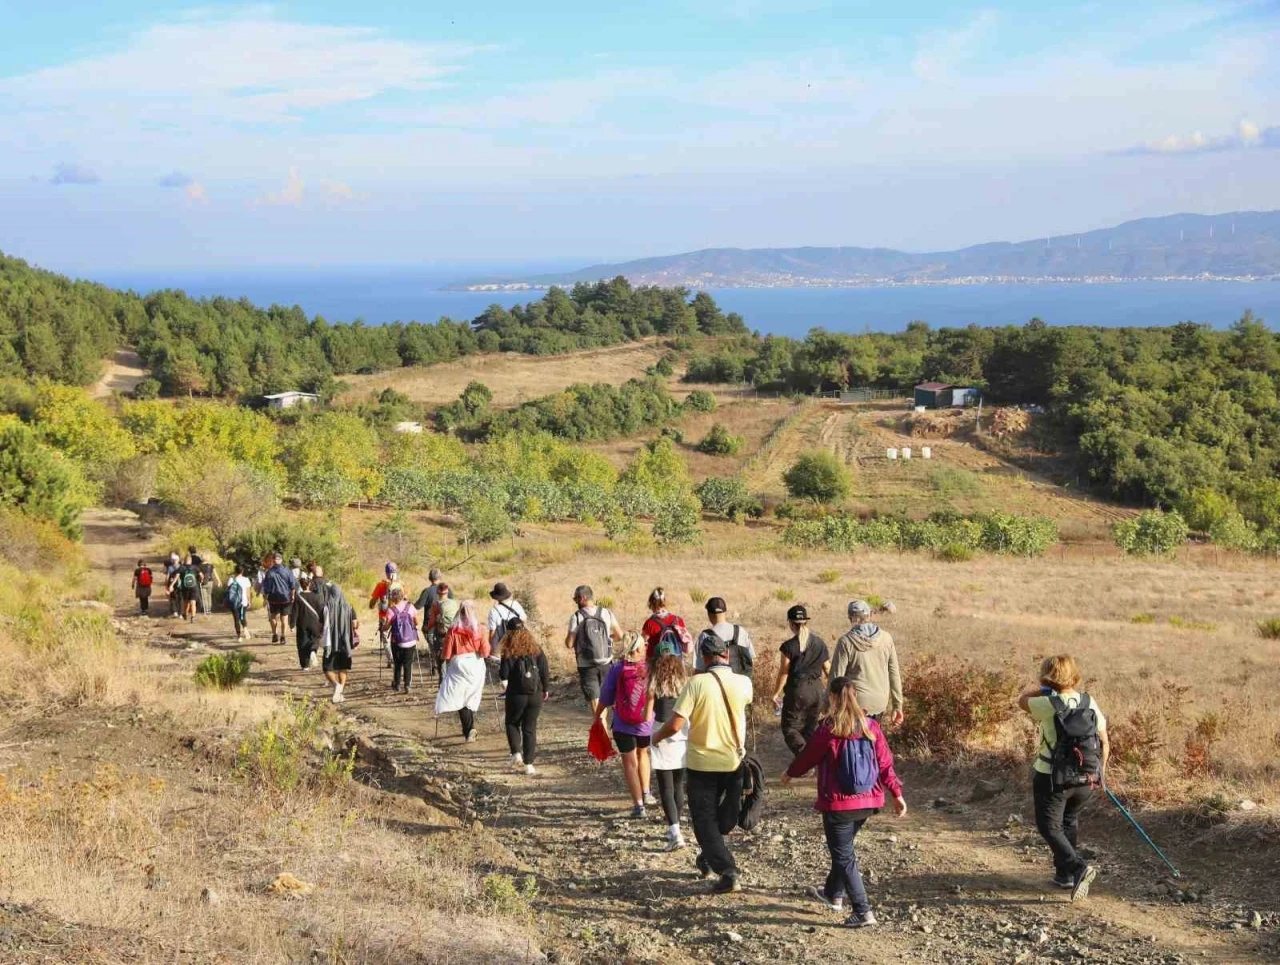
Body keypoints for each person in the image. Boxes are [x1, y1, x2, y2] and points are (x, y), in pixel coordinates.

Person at [782, 676, 907, 929]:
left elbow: (809, 757)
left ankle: (863, 911)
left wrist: (790, 773)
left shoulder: (829, 728)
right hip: (868, 802)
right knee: (844, 850)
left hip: (838, 804)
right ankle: (833, 894)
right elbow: (885, 764)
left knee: (844, 856)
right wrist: (896, 794)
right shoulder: (871, 726)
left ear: (832, 698)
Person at [653, 633, 753, 895]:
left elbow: (675, 724)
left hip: (702, 764)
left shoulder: (696, 683)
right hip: (733, 760)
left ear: (704, 658)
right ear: (726, 655)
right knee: (723, 816)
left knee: (704, 818)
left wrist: (654, 738)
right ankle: (708, 856)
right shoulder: (744, 683)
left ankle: (728, 871)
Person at [1018, 655, 1109, 903]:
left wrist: (1042, 687)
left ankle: (1078, 868)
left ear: (1048, 677)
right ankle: (1064, 875)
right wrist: (1100, 773)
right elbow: (1104, 740)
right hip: (1087, 778)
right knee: (1069, 821)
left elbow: (1021, 700)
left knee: (1049, 826)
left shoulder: (1048, 703)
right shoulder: (1089, 702)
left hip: (1052, 777)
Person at [594, 635, 656, 818]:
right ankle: (646, 792)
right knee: (643, 753)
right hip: (645, 723)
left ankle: (638, 806)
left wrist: (597, 716)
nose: (646, 647)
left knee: (629, 762)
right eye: (643, 645)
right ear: (637, 649)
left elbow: (605, 696)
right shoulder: (649, 668)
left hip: (623, 724)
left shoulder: (617, 668)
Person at [830, 601, 904, 725]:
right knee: (872, 739)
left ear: (850, 618)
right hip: (880, 702)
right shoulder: (886, 638)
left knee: (853, 742)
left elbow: (836, 678)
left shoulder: (845, 642)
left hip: (854, 702)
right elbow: (894, 673)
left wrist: (829, 705)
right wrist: (898, 705)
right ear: (870, 615)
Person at [772, 604, 831, 757]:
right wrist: (831, 692)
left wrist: (776, 693)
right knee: (809, 729)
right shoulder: (819, 643)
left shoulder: (788, 646)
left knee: (790, 728)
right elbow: (828, 670)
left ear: (791, 624)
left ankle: (806, 760)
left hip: (798, 690)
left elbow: (784, 672)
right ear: (806, 622)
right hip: (818, 689)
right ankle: (812, 761)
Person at [648, 639, 691, 850]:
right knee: (678, 784)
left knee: (665, 785)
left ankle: (674, 830)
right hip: (683, 732)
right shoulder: (686, 682)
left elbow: (648, 713)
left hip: (660, 733)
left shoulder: (654, 681)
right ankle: (678, 825)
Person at [499, 618, 550, 776]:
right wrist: (545, 689)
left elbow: (503, 674)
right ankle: (529, 765)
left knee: (512, 723)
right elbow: (545, 670)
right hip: (535, 694)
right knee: (530, 728)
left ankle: (516, 754)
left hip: (516, 694)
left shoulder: (509, 651)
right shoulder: (536, 648)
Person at [435, 600, 491, 741]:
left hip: (458, 665)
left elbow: (446, 655)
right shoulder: (481, 629)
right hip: (476, 664)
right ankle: (469, 728)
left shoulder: (453, 630)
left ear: (459, 612)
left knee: (460, 697)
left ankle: (469, 729)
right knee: (471, 695)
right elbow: (485, 653)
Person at [565, 584, 624, 711]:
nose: (575, 602)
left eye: (576, 599)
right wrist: (608, 638)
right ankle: (614, 729)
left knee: (596, 705)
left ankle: (601, 728)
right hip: (606, 663)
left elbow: (569, 644)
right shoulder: (606, 612)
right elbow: (620, 635)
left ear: (582, 598)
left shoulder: (576, 617)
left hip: (587, 666)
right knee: (609, 700)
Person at [310, 566, 359, 703]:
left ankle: (336, 686)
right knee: (343, 668)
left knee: (327, 668)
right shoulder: (349, 608)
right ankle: (340, 691)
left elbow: (320, 625)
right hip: (345, 643)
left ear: (330, 593)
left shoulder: (325, 608)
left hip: (330, 642)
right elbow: (355, 624)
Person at [694, 597, 754, 675]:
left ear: (709, 614)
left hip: (716, 684)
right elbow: (751, 661)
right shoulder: (741, 631)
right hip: (741, 683)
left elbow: (699, 669)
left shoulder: (705, 636)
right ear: (725, 612)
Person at [641, 587, 692, 665]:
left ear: (651, 604)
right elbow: (687, 647)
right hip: (676, 665)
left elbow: (642, 646)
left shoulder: (649, 623)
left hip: (656, 666)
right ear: (665, 602)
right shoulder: (678, 620)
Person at [386, 586, 420, 694]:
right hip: (411, 640)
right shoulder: (410, 607)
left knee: (397, 663)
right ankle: (407, 685)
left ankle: (396, 684)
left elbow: (387, 627)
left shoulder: (391, 611)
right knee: (408, 663)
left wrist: (382, 626)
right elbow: (417, 622)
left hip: (397, 641)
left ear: (392, 598)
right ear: (402, 596)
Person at [368, 563, 402, 668]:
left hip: (385, 616)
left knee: (386, 640)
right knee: (399, 637)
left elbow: (372, 602)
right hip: (398, 616)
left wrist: (372, 605)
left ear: (386, 573)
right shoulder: (401, 585)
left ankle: (391, 659)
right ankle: (398, 658)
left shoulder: (380, 585)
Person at [262, 552, 298, 643]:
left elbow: (267, 588)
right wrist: (293, 595)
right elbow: (292, 585)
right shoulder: (288, 571)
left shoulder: (269, 572)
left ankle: (274, 634)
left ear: (273, 561)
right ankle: (283, 636)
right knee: (284, 619)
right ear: (281, 560)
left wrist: (265, 598)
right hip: (285, 598)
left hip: (273, 598)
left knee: (272, 617)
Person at [428, 585, 462, 677]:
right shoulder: (454, 603)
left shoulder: (436, 604)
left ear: (438, 593)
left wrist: (427, 629)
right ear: (447, 592)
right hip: (453, 633)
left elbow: (431, 621)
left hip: (441, 635)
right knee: (451, 657)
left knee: (441, 657)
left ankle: (442, 679)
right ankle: (451, 677)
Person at [486, 583, 526, 657]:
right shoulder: (515, 604)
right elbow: (524, 619)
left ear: (496, 597)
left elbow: (492, 632)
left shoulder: (494, 611)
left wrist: (491, 648)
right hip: (520, 638)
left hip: (505, 643)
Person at [170, 554, 202, 623]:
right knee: (193, 602)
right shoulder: (195, 567)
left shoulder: (181, 567)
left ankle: (186, 613)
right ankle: (193, 617)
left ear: (185, 560)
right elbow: (201, 575)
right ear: (191, 560)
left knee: (186, 602)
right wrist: (200, 580)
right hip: (194, 587)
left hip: (185, 587)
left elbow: (176, 577)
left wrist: (171, 585)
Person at [227, 564, 253, 641]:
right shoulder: (246, 580)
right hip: (243, 601)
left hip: (233, 602)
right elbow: (248, 592)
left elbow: (229, 591)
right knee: (242, 616)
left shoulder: (231, 580)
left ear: (235, 571)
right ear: (242, 571)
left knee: (236, 619)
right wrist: (249, 601)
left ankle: (239, 636)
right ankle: (245, 628)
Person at [165, 552, 181, 618]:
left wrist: (166, 586)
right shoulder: (181, 566)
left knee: (172, 598)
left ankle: (175, 612)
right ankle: (180, 612)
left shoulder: (170, 567)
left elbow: (167, 577)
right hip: (180, 584)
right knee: (180, 598)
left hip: (171, 584)